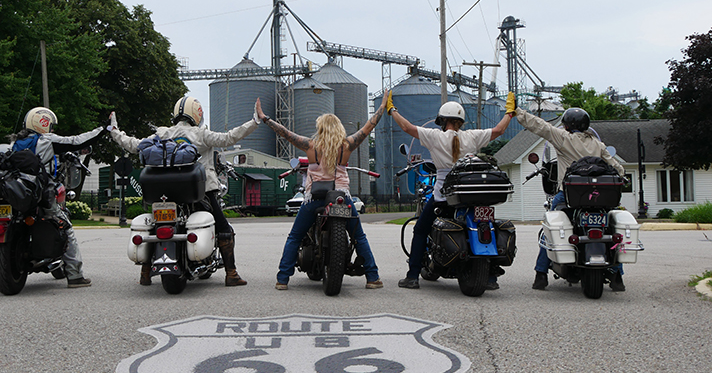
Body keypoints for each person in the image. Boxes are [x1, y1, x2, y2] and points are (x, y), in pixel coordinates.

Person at [108, 96, 260, 286]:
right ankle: (231, 273)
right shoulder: (201, 134)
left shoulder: (162, 133)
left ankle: (145, 272)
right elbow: (229, 137)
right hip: (200, 191)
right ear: (196, 115)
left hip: (164, 192)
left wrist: (114, 131)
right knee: (224, 229)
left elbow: (133, 144)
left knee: (154, 226)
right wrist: (255, 121)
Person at [257, 92, 387, 290]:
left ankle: (283, 279)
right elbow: (368, 127)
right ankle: (372, 277)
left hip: (315, 199)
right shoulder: (347, 145)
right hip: (341, 197)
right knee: (358, 236)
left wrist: (265, 118)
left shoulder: (311, 146)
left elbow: (285, 132)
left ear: (320, 129)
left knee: (295, 236)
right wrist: (383, 105)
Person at [388, 93, 513, 290]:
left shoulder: (435, 136)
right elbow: (499, 129)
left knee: (420, 230)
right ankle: (491, 276)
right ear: (461, 122)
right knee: (486, 224)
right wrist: (509, 112)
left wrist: (392, 110)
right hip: (472, 195)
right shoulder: (473, 136)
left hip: (443, 197)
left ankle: (412, 276)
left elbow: (407, 128)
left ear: (442, 121)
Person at [0, 107, 106, 289]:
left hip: (12, 191)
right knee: (64, 226)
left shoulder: (13, 144)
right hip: (38, 193)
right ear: (43, 123)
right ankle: (75, 276)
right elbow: (76, 141)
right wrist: (103, 129)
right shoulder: (46, 140)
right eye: (50, 125)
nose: (52, 129)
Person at [515, 105, 626, 291]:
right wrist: (621, 176)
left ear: (566, 125)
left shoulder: (563, 138)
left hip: (568, 197)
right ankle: (618, 277)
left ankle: (541, 275)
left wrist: (518, 113)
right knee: (611, 230)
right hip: (598, 198)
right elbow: (616, 167)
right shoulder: (597, 145)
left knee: (549, 230)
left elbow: (540, 126)